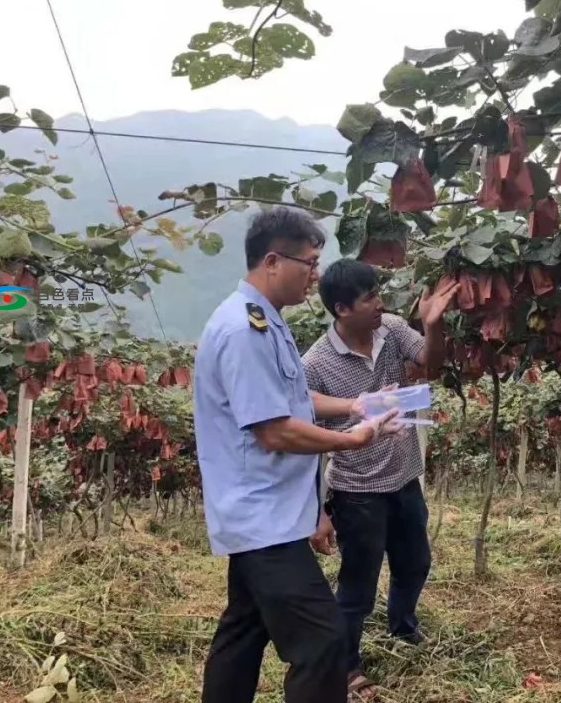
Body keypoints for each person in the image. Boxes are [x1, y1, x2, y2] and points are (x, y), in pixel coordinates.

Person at [193, 207, 402, 703]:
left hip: (271, 511)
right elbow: (275, 430)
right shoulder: (245, 331)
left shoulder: (267, 322)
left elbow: (292, 401)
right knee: (322, 642)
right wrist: (352, 439)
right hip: (262, 517)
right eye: (308, 264)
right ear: (272, 260)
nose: (315, 275)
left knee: (243, 633)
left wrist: (354, 405)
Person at [301, 259, 458, 698]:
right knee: (357, 585)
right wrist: (317, 509)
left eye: (377, 293)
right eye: (369, 297)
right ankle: (346, 668)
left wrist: (433, 325)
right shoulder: (315, 362)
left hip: (405, 479)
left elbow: (430, 362)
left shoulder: (389, 328)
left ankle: (403, 627)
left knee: (416, 564)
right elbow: (304, 416)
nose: (380, 304)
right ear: (341, 308)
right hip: (356, 492)